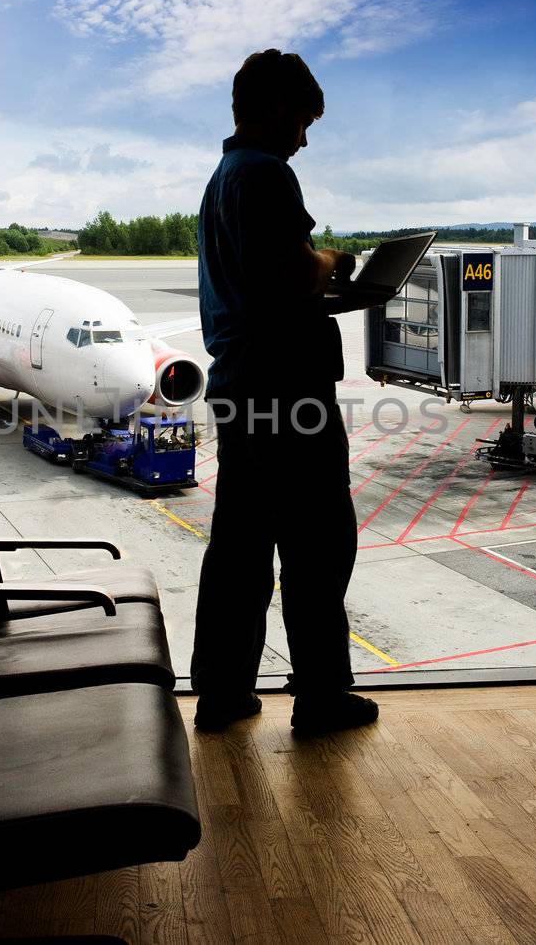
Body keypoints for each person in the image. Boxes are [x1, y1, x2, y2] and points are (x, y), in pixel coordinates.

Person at [190, 49, 379, 735]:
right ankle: (322, 695)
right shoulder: (266, 174)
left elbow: (260, 287)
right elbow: (296, 274)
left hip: (242, 387)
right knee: (319, 543)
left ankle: (221, 688)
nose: (306, 136)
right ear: (275, 110)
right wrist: (335, 262)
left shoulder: (222, 178)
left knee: (240, 549)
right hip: (285, 392)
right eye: (303, 119)